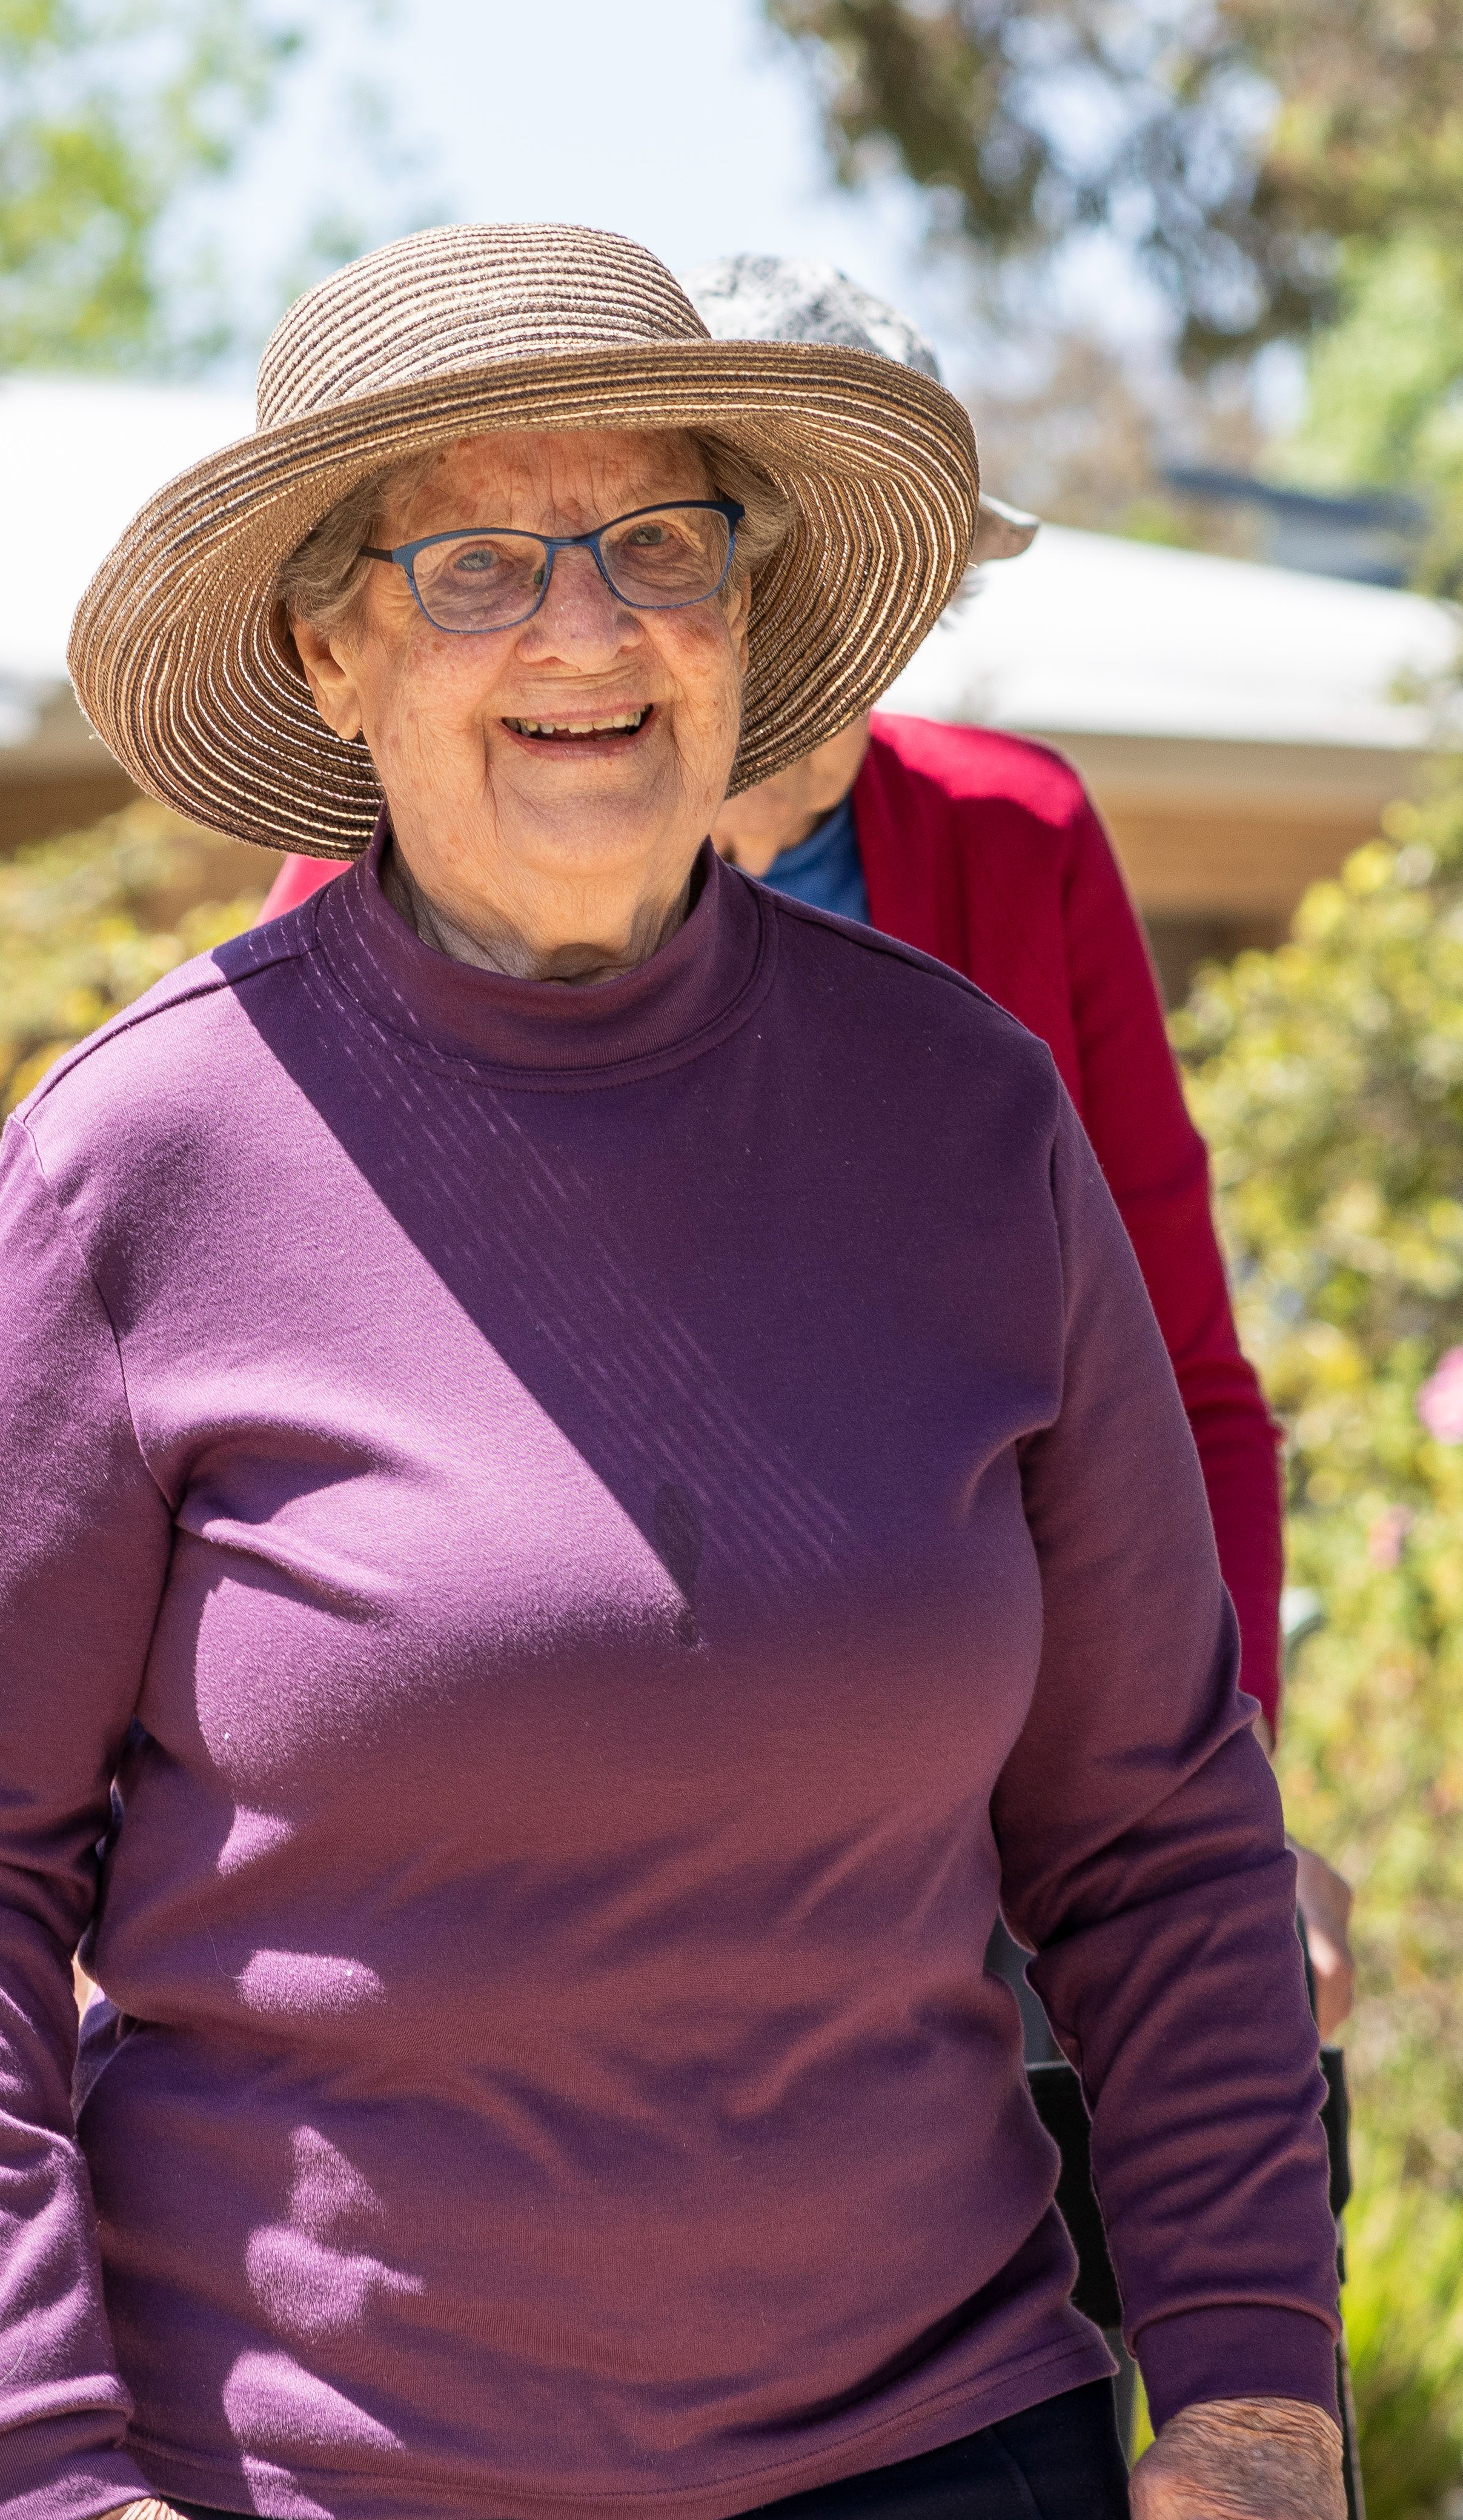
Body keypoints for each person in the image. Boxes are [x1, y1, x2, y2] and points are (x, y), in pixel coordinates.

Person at [0, 225, 1354, 2520]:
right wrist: (36, 2471)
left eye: (656, 542)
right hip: (332, 2500)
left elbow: (1157, 1826)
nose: (581, 627)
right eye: (472, 562)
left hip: (940, 2476)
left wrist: (1254, 2385)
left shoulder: (963, 1117)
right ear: (328, 647)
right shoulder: (151, 1154)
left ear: (740, 616)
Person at [255, 252, 1353, 2032]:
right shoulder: (394, 870)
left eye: (926, 576)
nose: (880, 620)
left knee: (1230, 2099)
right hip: (562, 1784)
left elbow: (1182, 1384)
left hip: (974, 1745)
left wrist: (1224, 1793)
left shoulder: (1016, 835)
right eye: (821, 556)